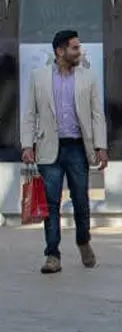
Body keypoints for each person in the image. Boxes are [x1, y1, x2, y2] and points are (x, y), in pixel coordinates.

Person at [20, 29, 108, 274]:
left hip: (77, 147)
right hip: (49, 149)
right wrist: (27, 145)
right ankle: (52, 254)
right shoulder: (38, 77)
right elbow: (29, 114)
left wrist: (101, 147)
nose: (79, 52)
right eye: (75, 48)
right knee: (51, 203)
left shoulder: (88, 77)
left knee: (80, 199)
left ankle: (83, 240)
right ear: (60, 51)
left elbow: (97, 115)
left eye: (79, 47)